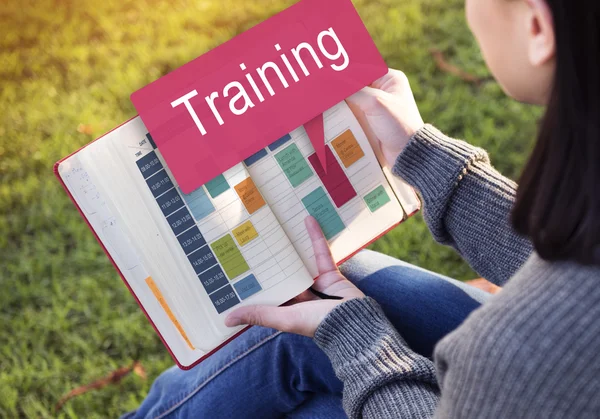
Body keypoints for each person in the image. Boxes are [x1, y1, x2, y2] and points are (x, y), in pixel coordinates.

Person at [125, 0, 600, 417]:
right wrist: (428, 160)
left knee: (300, 346)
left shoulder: (518, 348)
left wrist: (359, 340)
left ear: (537, 27)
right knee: (339, 286)